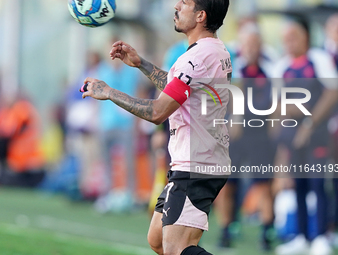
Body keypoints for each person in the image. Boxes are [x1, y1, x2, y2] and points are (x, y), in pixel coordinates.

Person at [80, 0, 232, 254]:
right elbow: (178, 88)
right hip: (197, 160)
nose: (176, 5)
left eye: (185, 2)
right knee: (158, 240)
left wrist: (109, 92)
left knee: (176, 248)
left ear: (200, 16)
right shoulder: (214, 50)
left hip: (196, 164)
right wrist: (141, 63)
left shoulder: (196, 58)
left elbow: (157, 112)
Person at [273, 19, 338, 255]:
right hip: (293, 137)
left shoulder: (318, 60)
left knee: (318, 183)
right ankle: (301, 236)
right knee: (298, 183)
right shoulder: (281, 67)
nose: (290, 43)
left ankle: (321, 236)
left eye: (294, 38)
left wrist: (309, 122)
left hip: (317, 135)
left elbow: (332, 93)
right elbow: (279, 104)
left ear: (306, 38)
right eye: (286, 39)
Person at [214, 22, 275, 251]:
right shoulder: (233, 67)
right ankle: (226, 230)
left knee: (264, 184)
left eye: (254, 43)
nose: (251, 47)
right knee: (228, 185)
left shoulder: (270, 68)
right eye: (247, 43)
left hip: (260, 135)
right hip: (235, 136)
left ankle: (267, 231)